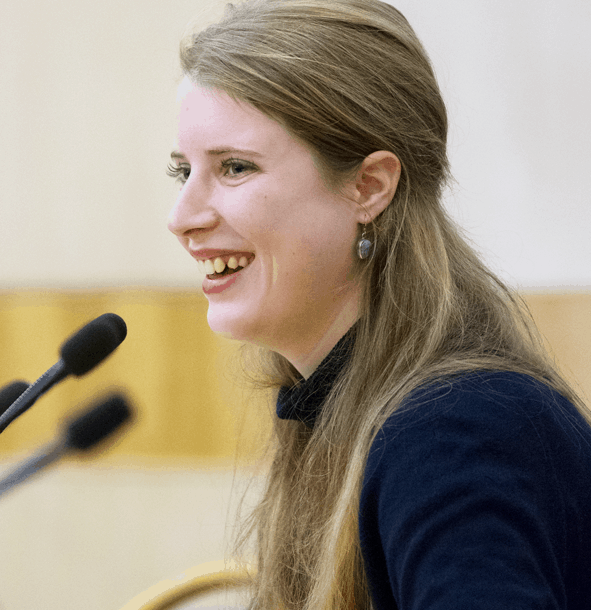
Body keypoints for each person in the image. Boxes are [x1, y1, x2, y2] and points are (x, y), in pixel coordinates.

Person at [166, 1, 591, 608]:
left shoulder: (454, 432)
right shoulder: (358, 409)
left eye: (235, 167)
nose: (182, 217)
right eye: (181, 171)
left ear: (369, 187)